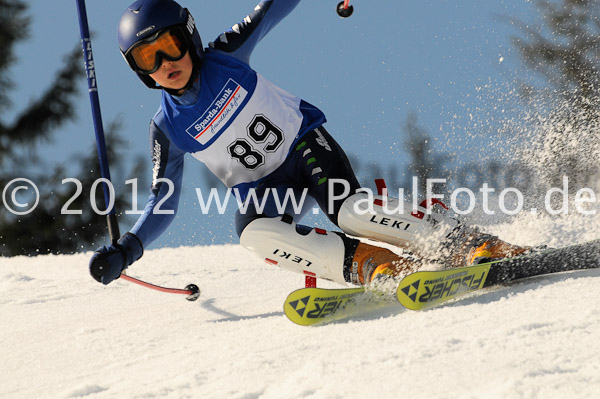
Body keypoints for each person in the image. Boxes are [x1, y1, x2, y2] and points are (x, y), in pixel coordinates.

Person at [89, 0, 528, 287]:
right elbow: (163, 203)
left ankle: (459, 240)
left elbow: (274, 6)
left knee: (351, 211)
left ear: (189, 37)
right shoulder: (167, 127)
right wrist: (128, 248)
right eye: (148, 58)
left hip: (303, 148)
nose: (166, 63)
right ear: (139, 71)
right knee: (254, 233)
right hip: (265, 190)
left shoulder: (224, 57)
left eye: (169, 46)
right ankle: (368, 263)